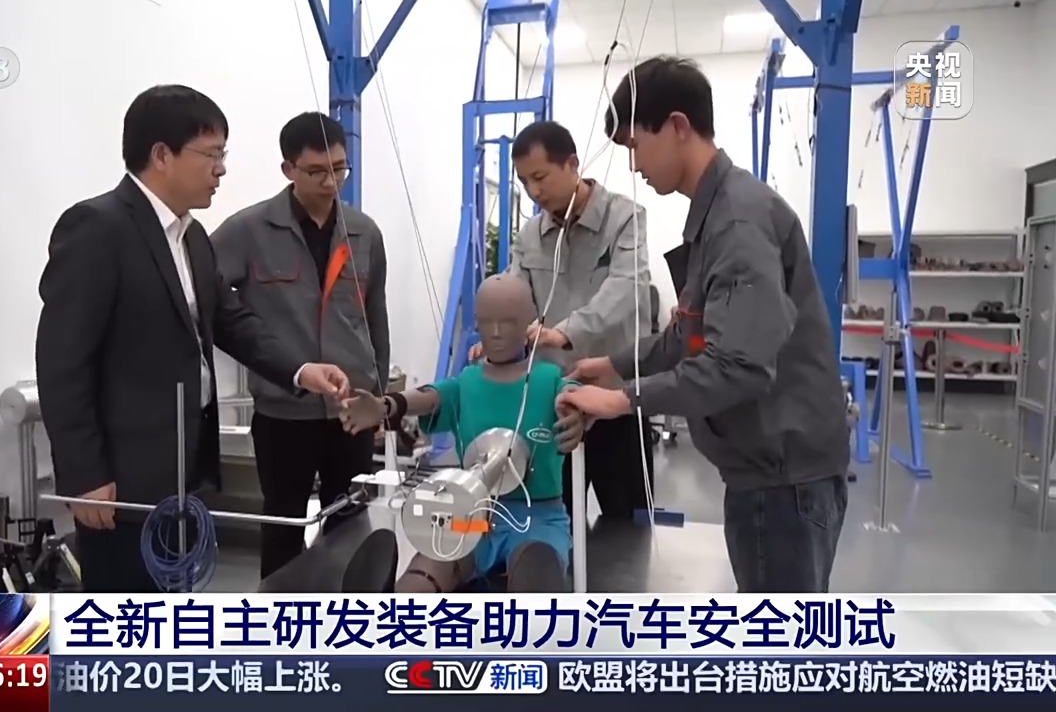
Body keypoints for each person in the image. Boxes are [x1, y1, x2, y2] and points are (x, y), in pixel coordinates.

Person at [35, 85, 351, 593]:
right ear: (162, 154)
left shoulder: (192, 237)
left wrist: (299, 370)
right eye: (212, 155)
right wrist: (83, 475)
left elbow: (231, 320)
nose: (221, 170)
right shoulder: (98, 228)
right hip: (121, 483)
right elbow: (62, 361)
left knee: (171, 607)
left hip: (183, 471)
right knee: (125, 613)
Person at [558, 57, 851, 593]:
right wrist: (615, 364)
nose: (634, 166)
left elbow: (736, 365)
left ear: (677, 126)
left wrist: (622, 399)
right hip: (765, 468)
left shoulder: (737, 222)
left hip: (784, 478)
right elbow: (691, 332)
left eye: (635, 145)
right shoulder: (716, 216)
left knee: (778, 634)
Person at [211, 112, 390, 579]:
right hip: (282, 413)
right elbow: (204, 296)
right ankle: (280, 616)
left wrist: (378, 401)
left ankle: (349, 614)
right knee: (283, 523)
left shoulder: (364, 233)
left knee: (351, 522)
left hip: (351, 410)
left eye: (339, 169)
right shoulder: (247, 231)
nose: (331, 182)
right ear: (288, 169)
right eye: (316, 172)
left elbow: (375, 320)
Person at [340, 275, 585, 593]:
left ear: (531, 323)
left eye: (508, 322)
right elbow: (430, 396)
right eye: (486, 322)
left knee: (535, 573)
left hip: (537, 520)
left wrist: (578, 413)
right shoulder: (467, 382)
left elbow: (576, 397)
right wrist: (385, 405)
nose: (495, 332)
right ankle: (383, 608)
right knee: (426, 571)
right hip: (470, 517)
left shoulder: (550, 380)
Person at [473, 119, 655, 521]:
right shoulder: (530, 236)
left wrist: (564, 332)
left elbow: (627, 286)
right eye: (524, 182)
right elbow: (515, 294)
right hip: (556, 403)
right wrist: (498, 335)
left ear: (572, 164)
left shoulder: (624, 218)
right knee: (551, 518)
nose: (533, 192)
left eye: (540, 177)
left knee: (629, 525)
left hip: (617, 398)